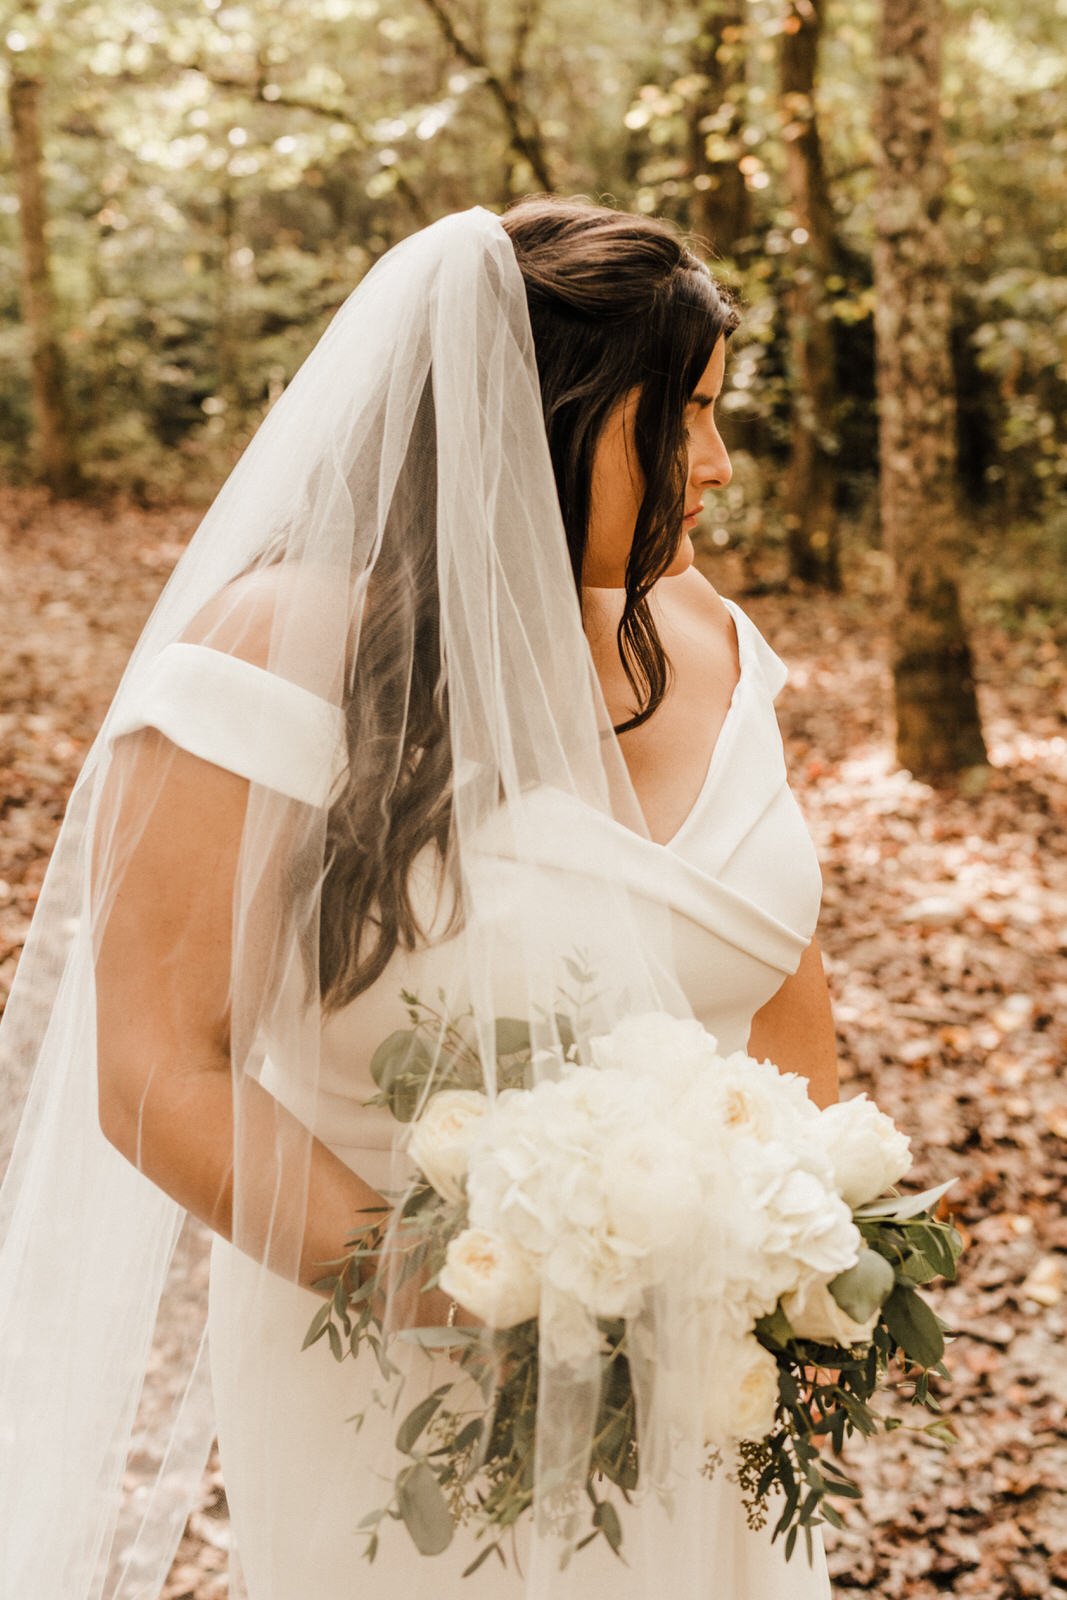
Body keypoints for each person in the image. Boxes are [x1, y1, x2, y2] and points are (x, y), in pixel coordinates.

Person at [0, 198, 836, 1599]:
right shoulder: (274, 651)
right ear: (546, 417)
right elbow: (154, 1070)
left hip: (706, 1384)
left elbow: (781, 995)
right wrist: (479, 1296)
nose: (722, 466)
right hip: (405, 1396)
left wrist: (804, 1278)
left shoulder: (715, 640)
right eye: (681, 418)